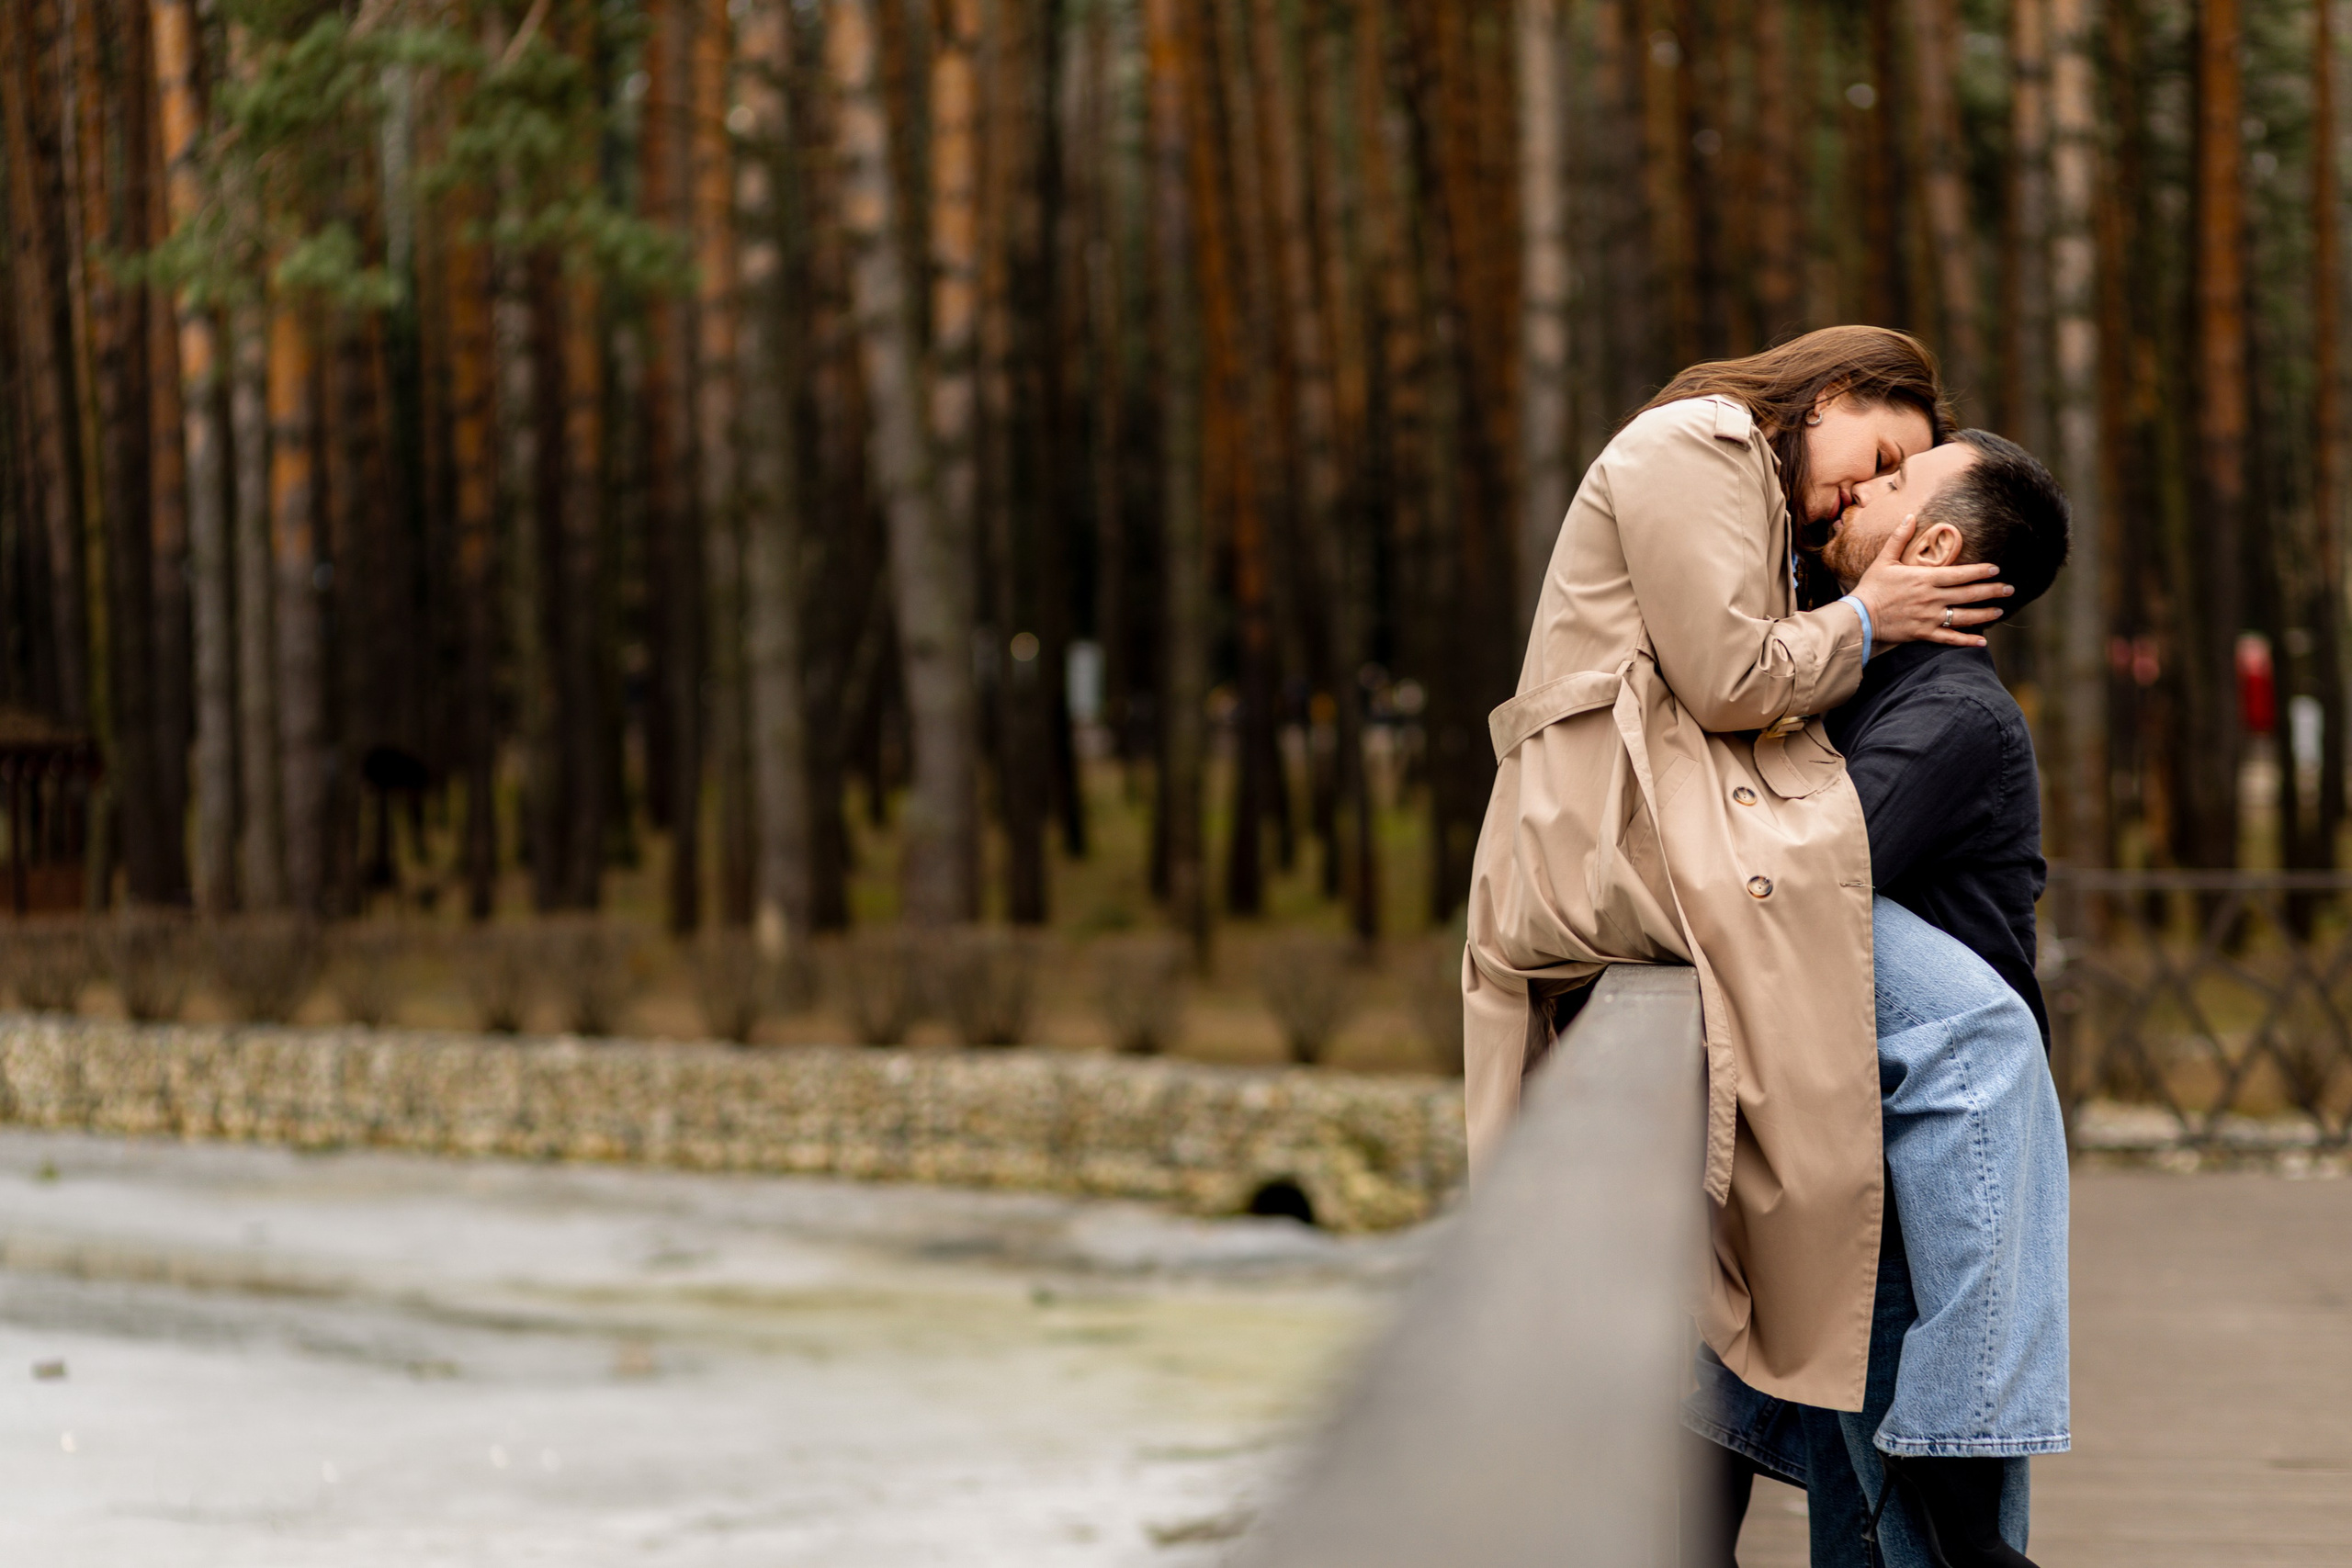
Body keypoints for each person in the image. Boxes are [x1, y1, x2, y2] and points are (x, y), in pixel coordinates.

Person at [1464, 328, 2012, 1435]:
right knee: (1966, 1021)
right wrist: (1868, 618)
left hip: (1644, 822)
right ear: (1836, 391)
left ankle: (1795, 1422)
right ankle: (1936, 1425)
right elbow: (1728, 680)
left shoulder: (1752, 487)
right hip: (1614, 834)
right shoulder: (1701, 440)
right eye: (1879, 452)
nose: (1860, 490)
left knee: (1922, 1021)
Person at [1680, 432, 2074, 1568]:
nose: (1858, 487)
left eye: (1895, 482)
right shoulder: (1868, 684)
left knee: (1902, 1535)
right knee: (1860, 1504)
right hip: (1850, 1141)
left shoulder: (1949, 712)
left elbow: (1800, 882)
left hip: (1917, 1182)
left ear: (1933, 545)